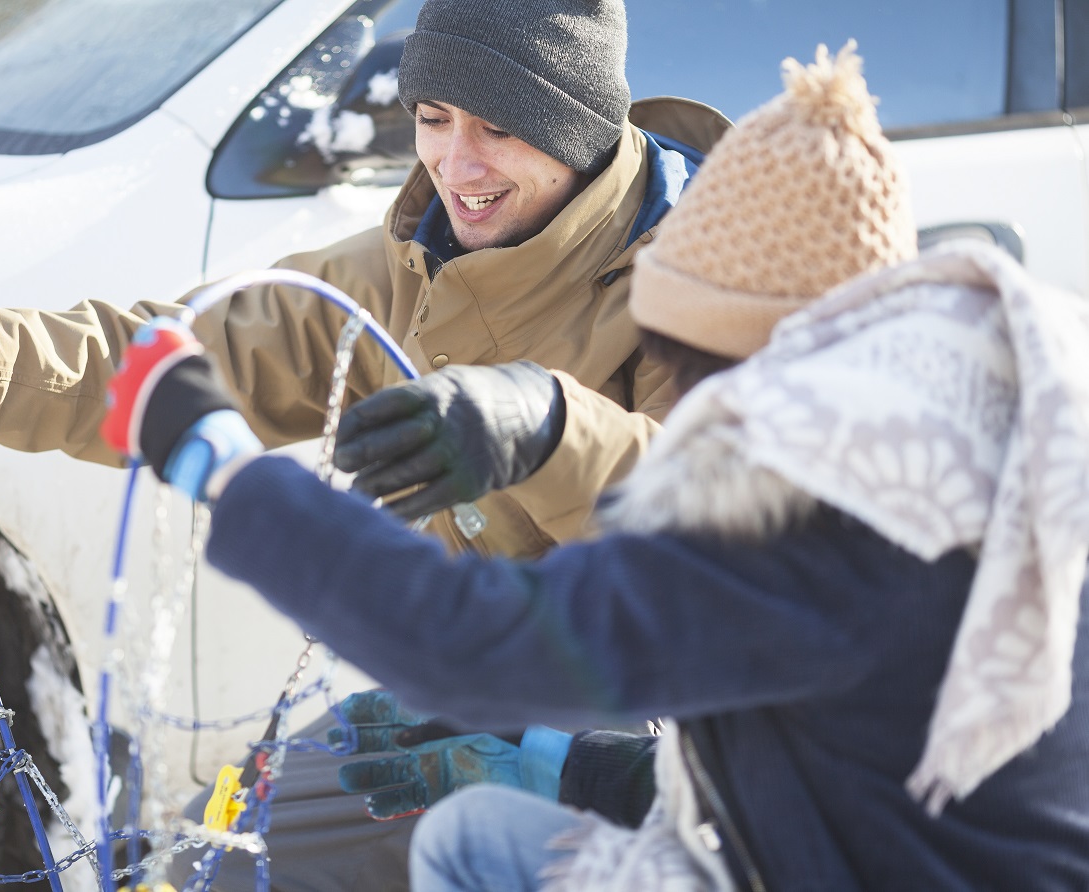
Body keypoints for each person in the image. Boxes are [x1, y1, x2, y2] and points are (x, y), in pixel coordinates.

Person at [0, 1, 730, 888]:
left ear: (575, 128)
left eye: (499, 129)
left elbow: (732, 544)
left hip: (682, 741)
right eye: (434, 118)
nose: (456, 164)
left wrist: (550, 425)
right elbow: (151, 357)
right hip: (464, 686)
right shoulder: (404, 267)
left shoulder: (709, 277)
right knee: (224, 861)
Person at [101, 43, 1089, 891]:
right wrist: (564, 765)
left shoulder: (814, 509)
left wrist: (217, 461)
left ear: (744, 360)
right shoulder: (977, 434)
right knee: (475, 836)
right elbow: (840, 778)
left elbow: (461, 642)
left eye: (682, 366)